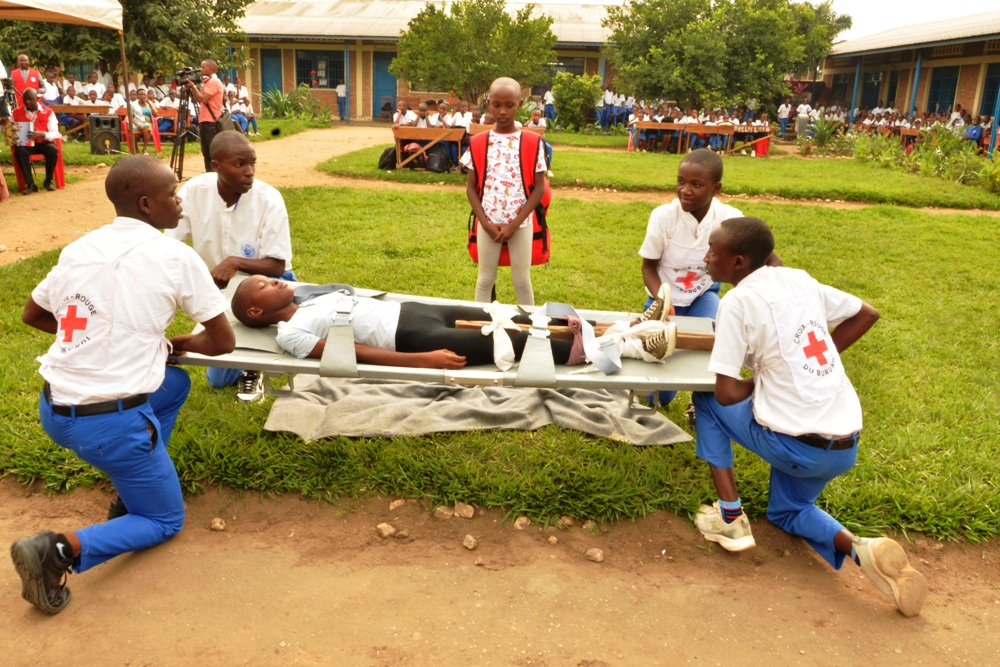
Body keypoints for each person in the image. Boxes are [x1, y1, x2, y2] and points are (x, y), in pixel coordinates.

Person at [10, 156, 235, 615]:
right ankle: (57, 551)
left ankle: (141, 475)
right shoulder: (175, 256)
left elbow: (33, 314)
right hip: (110, 425)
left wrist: (103, 342)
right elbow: (222, 341)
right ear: (148, 204)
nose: (181, 203)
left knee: (171, 385)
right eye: (174, 194)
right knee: (163, 519)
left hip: (55, 408)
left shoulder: (80, 247)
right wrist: (174, 341)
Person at [690, 216, 928, 617]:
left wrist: (764, 378)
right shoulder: (798, 279)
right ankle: (862, 549)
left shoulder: (736, 301)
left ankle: (729, 517)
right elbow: (866, 313)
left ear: (739, 264)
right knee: (788, 511)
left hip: (796, 446)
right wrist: (812, 361)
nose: (706, 256)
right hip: (843, 444)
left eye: (714, 251)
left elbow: (726, 392)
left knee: (706, 402)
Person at [231, 275, 675, 368]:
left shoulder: (307, 295)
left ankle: (629, 324)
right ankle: (638, 347)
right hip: (411, 337)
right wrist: (421, 360)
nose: (276, 281)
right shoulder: (290, 333)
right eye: (266, 286)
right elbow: (351, 354)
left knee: (515, 317)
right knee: (521, 344)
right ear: (256, 312)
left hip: (414, 311)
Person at [638, 149, 780, 407]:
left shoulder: (729, 219)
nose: (685, 190)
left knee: (716, 349)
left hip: (702, 296)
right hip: (663, 300)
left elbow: (770, 259)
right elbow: (649, 267)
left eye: (696, 184)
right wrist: (662, 299)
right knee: (659, 393)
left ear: (716, 188)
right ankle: (654, 396)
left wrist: (779, 291)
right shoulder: (663, 216)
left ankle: (701, 403)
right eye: (681, 181)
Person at [165, 132, 294, 401]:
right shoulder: (193, 192)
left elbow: (278, 264)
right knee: (218, 379)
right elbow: (170, 246)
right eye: (240, 164)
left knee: (254, 347)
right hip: (218, 290)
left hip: (264, 286)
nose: (250, 172)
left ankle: (254, 367)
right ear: (216, 166)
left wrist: (235, 262)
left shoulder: (269, 199)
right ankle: (248, 354)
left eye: (252, 164)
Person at [460, 77, 547, 306]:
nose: (502, 111)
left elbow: (539, 189)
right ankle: (481, 327)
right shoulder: (478, 142)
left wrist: (514, 224)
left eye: (509, 105)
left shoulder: (533, 141)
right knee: (485, 280)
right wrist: (486, 223)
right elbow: (470, 188)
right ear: (489, 104)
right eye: (497, 105)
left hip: (521, 223)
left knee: (521, 280)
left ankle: (528, 329)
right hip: (487, 222)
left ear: (520, 104)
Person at [11, 88, 62, 194]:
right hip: (26, 145)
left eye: (30, 99)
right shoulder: (16, 112)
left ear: (37, 99)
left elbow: (54, 133)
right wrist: (5, 127)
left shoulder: (48, 112)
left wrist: (42, 134)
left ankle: (48, 181)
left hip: (43, 143)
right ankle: (30, 184)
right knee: (19, 151)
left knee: (52, 150)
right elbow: (9, 131)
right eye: (25, 99)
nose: (27, 102)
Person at [184, 59, 225, 173]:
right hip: (206, 120)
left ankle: (215, 176)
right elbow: (201, 99)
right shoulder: (209, 81)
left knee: (212, 153)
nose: (200, 69)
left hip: (211, 121)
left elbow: (203, 100)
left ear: (211, 69)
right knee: (206, 152)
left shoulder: (213, 82)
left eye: (203, 67)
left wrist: (193, 87)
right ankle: (210, 176)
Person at [129, 88, 158, 153]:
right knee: (134, 129)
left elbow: (156, 115)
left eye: (144, 94)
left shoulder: (149, 103)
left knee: (147, 127)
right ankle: (135, 148)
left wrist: (150, 104)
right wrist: (137, 124)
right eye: (140, 95)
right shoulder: (133, 104)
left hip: (147, 123)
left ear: (146, 95)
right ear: (137, 96)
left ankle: (144, 148)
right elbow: (131, 118)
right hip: (136, 122)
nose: (142, 96)